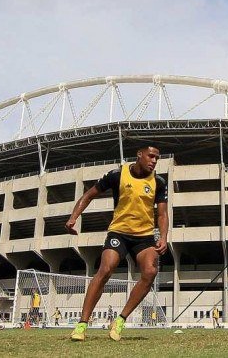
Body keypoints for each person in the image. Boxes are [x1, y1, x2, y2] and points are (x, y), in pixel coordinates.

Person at [66, 145, 168, 342]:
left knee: (150, 272)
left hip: (145, 236)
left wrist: (163, 236)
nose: (154, 161)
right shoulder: (117, 175)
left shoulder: (159, 182)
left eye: (157, 158)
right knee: (105, 269)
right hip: (119, 232)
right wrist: (73, 217)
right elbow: (89, 195)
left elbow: (162, 213)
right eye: (151, 156)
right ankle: (81, 325)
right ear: (139, 155)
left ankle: (120, 321)